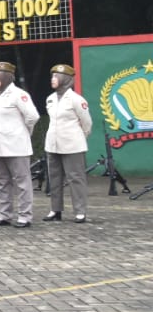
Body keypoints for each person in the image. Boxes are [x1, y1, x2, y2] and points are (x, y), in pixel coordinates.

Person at [0, 62, 41, 228]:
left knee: (22, 182)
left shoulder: (19, 94)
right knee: (3, 182)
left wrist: (24, 133)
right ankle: (5, 215)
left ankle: (25, 216)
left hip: (16, 145)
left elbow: (33, 116)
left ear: (6, 77)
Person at [44, 64, 92, 222]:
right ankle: (55, 210)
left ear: (65, 79)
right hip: (53, 144)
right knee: (54, 178)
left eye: (56, 77)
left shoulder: (77, 100)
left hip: (72, 145)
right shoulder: (50, 99)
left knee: (76, 178)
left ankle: (80, 211)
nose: (52, 79)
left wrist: (78, 138)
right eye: (52, 76)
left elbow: (87, 124)